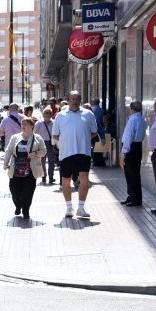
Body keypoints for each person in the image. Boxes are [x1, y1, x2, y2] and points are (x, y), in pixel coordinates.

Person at [51, 91, 98, 219]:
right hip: (67, 152)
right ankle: (69, 207)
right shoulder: (60, 116)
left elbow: (94, 132)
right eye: (73, 99)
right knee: (65, 179)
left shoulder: (88, 114)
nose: (75, 101)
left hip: (83, 152)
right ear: (68, 99)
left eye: (77, 99)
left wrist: (82, 138)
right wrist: (68, 139)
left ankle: (81, 208)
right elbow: (55, 135)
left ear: (81, 100)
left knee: (84, 178)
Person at [3, 117, 46, 219]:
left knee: (28, 192)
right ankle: (18, 205)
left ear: (32, 126)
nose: (23, 126)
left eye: (26, 124)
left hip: (31, 169)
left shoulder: (38, 138)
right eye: (22, 124)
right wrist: (5, 162)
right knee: (14, 190)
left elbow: (44, 151)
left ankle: (26, 210)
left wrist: (35, 154)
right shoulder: (15, 137)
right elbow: (8, 150)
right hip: (16, 169)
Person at [119, 100, 147, 207]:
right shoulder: (142, 120)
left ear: (131, 108)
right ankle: (132, 197)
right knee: (134, 174)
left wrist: (123, 153)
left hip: (131, 148)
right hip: (137, 147)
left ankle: (134, 198)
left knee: (130, 174)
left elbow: (128, 137)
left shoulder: (132, 120)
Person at [34, 107, 56, 184]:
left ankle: (51, 177)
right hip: (41, 144)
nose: (47, 114)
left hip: (51, 143)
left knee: (51, 161)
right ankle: (44, 176)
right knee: (42, 161)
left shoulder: (54, 123)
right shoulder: (39, 123)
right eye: (46, 113)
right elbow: (34, 134)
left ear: (51, 114)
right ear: (43, 114)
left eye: (49, 113)